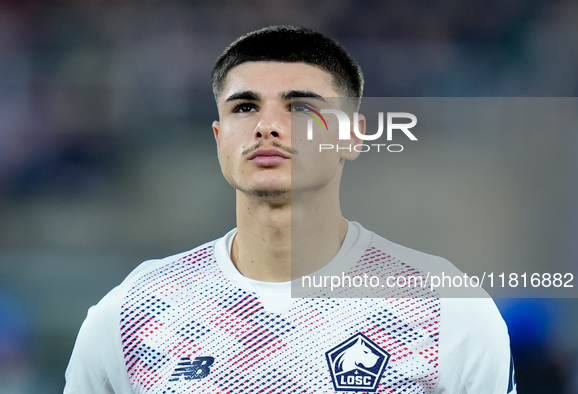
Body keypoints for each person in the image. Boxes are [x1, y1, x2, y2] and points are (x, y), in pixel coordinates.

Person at [64, 25, 516, 393]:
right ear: (220, 139)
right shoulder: (134, 312)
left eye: (299, 106)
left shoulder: (447, 309)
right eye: (245, 107)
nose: (268, 127)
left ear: (352, 137)